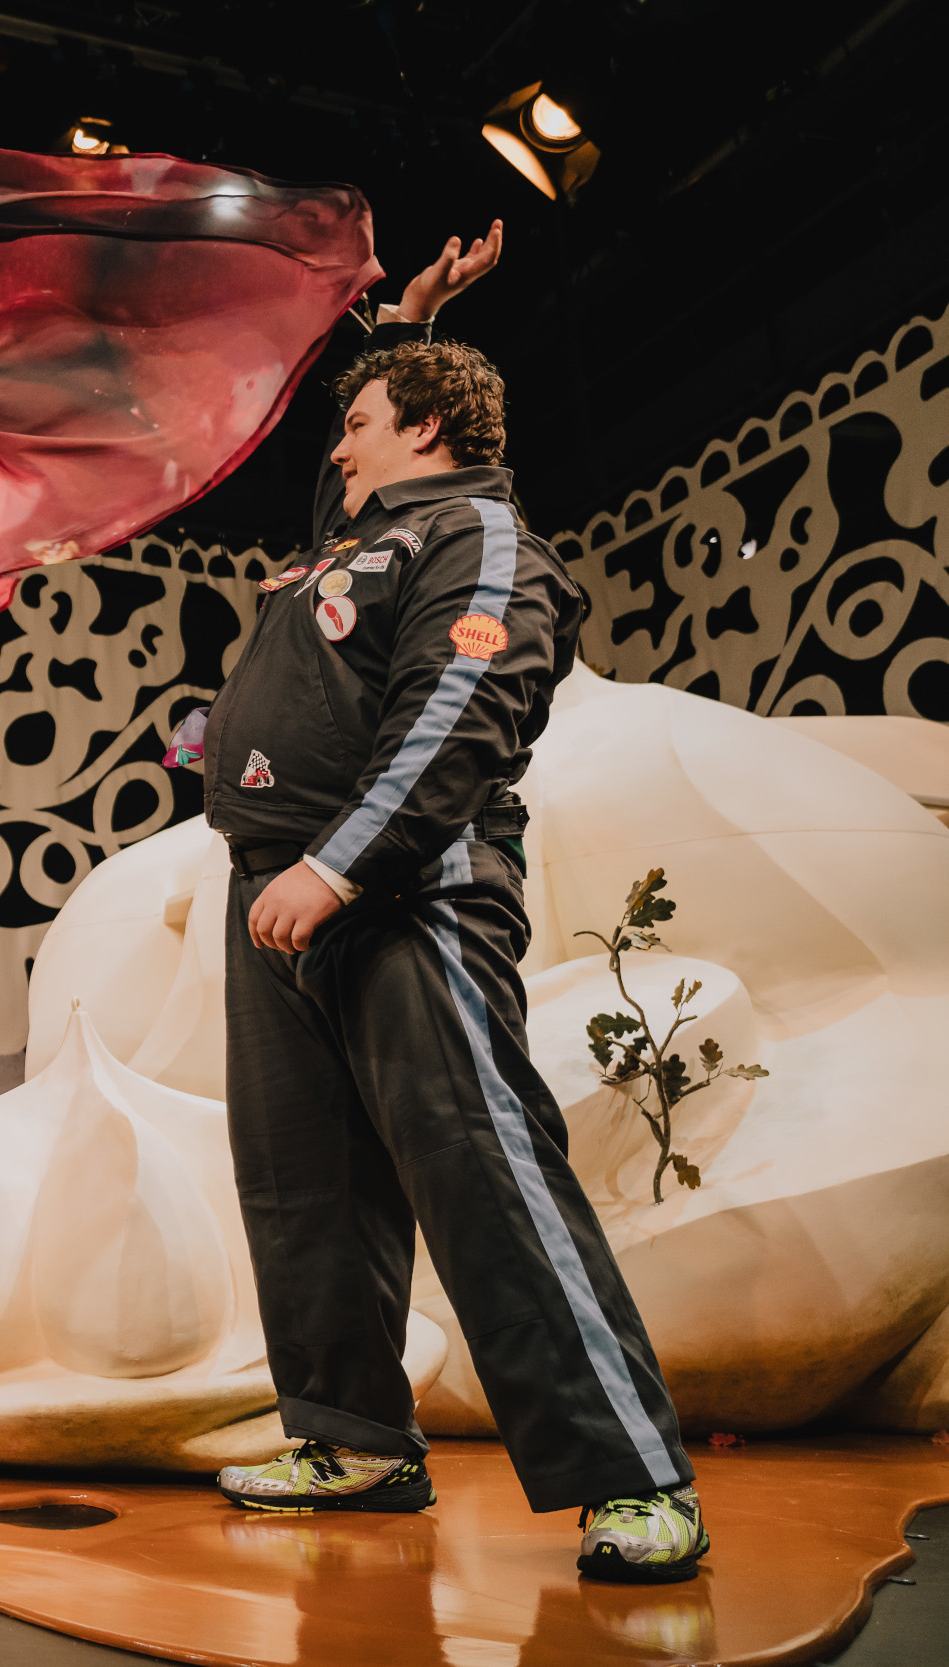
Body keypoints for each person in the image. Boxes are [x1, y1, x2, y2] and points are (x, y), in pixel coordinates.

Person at [196, 223, 707, 1585]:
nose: (338, 447)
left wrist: (339, 864)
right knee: (303, 1186)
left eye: (360, 422)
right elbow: (355, 474)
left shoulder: (481, 540)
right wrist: (397, 330)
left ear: (423, 429)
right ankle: (352, 1435)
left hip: (405, 889)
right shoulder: (359, 533)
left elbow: (455, 719)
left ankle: (633, 1472)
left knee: (483, 1168)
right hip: (284, 891)